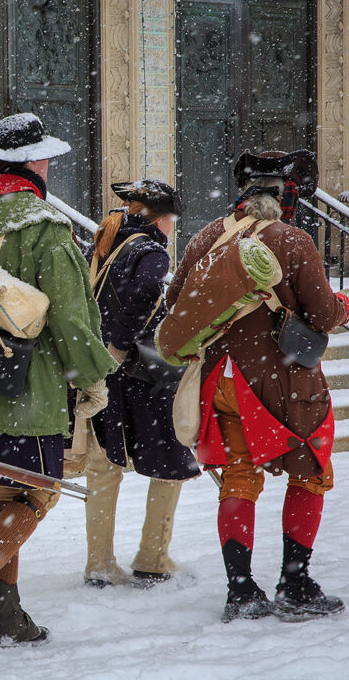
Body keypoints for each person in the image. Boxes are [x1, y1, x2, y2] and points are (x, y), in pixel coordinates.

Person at [0, 113, 117, 647]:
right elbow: (70, 314)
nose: (50, 165)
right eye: (45, 157)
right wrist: (89, 376)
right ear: (33, 163)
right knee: (37, 495)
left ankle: (8, 615)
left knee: (3, 493)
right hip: (32, 385)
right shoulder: (45, 226)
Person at [165, 150, 349, 623]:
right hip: (284, 381)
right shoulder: (293, 240)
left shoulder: (207, 237)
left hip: (221, 380)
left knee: (238, 480)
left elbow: (176, 304)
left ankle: (241, 590)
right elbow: (321, 315)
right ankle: (294, 583)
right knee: (311, 472)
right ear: (284, 195)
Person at [81, 179, 200, 590]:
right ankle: (153, 556)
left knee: (102, 467)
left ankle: (99, 563)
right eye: (171, 219)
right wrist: (120, 342)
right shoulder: (151, 251)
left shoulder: (101, 246)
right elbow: (148, 293)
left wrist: (103, 349)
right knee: (169, 462)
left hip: (103, 371)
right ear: (161, 219)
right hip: (145, 374)